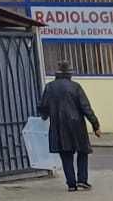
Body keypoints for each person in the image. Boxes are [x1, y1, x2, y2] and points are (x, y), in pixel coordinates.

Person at [38, 59, 101, 191]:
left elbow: (43, 107)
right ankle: (82, 180)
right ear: (69, 74)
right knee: (82, 151)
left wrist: (45, 116)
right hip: (77, 125)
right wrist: (95, 125)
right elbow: (86, 108)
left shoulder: (50, 87)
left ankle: (71, 184)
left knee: (66, 154)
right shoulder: (75, 87)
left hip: (58, 126)